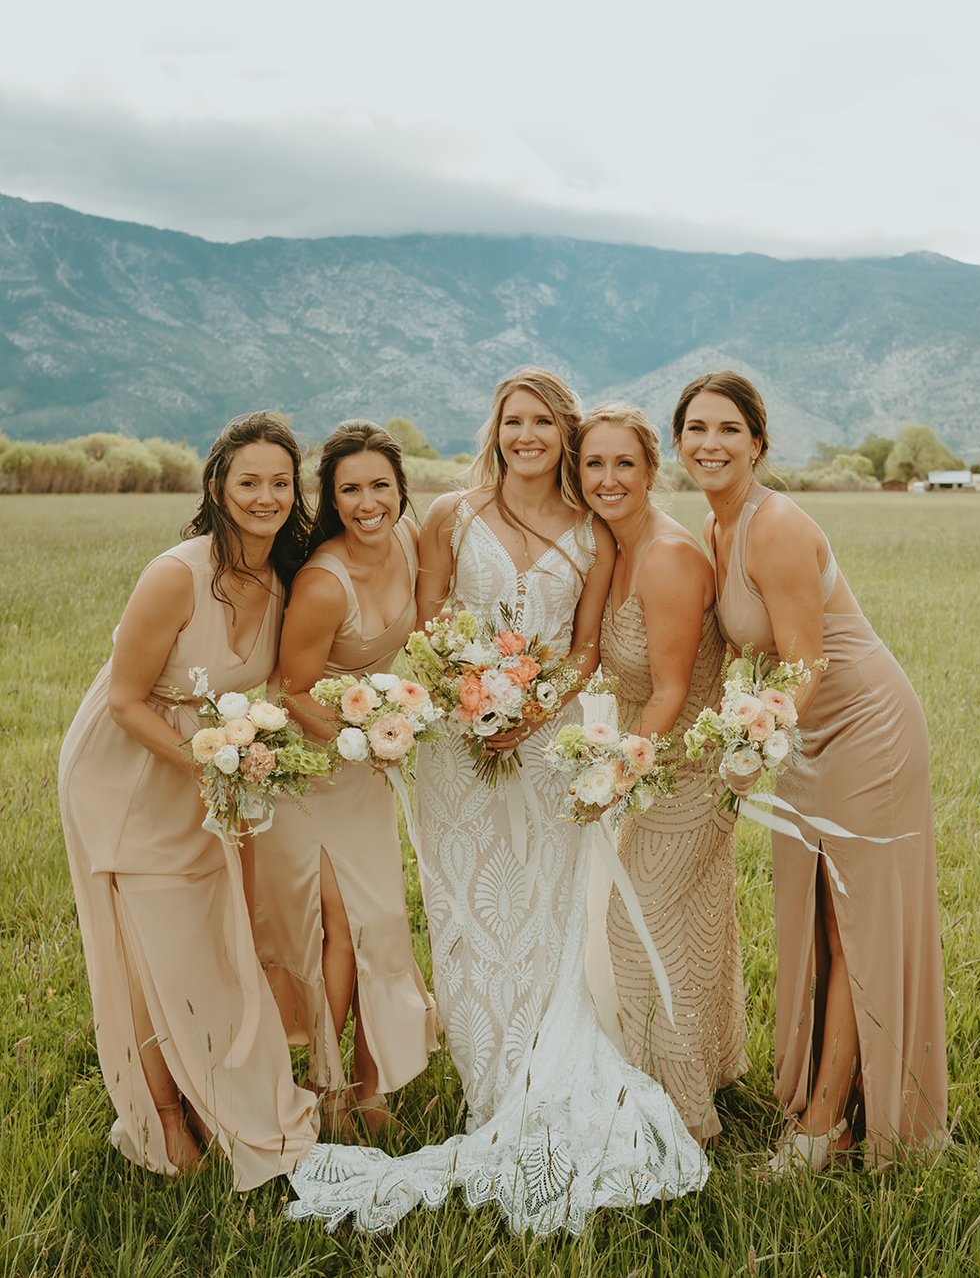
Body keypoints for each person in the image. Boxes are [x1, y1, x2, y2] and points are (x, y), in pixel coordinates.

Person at [287, 368, 707, 1236]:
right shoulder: (449, 514)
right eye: (513, 421)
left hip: (548, 745)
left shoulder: (595, 532)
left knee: (548, 917)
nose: (527, 437)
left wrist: (535, 706)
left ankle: (547, 1072)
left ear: (563, 435)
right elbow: (431, 619)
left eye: (543, 425)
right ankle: (489, 1085)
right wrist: (469, 696)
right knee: (471, 914)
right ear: (498, 428)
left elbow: (588, 647)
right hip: (454, 745)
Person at [673, 371, 949, 1172]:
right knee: (822, 916)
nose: (710, 444)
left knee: (856, 918)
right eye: (696, 428)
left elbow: (804, 664)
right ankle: (831, 1111)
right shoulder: (717, 526)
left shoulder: (777, 526)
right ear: (680, 441)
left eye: (729, 429)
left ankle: (823, 1129)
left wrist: (750, 743)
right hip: (800, 731)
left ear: (759, 443)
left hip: (863, 726)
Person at [58, 412, 319, 1189]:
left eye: (280, 482)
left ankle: (214, 1092)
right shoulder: (175, 573)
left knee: (203, 939)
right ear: (218, 487)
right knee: (146, 946)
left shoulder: (284, 579)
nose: (266, 496)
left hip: (213, 773)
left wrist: (247, 761)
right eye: (250, 482)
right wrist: (214, 773)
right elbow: (127, 701)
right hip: (129, 775)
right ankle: (165, 1120)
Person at [254, 421, 437, 1137]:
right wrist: (364, 740)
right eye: (350, 489)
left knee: (382, 926)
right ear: (331, 499)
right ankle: (325, 1090)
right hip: (315, 771)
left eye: (380, 486)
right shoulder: (325, 583)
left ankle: (370, 1084)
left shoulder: (410, 544)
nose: (369, 503)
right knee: (341, 928)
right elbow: (289, 689)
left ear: (400, 489)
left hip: (365, 770)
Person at [573, 403, 746, 1145]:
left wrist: (609, 778)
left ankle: (684, 1119)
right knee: (678, 927)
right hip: (653, 765)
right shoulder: (613, 546)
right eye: (593, 464)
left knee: (633, 926)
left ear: (651, 470)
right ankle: (697, 1071)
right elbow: (588, 656)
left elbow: (672, 690)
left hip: (690, 773)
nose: (608, 479)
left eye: (623, 464)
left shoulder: (669, 556)